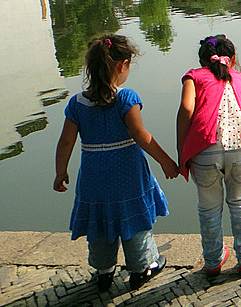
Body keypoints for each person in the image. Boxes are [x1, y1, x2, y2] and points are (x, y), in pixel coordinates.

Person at [53, 35, 179, 292]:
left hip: (92, 176)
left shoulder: (76, 104)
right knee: (133, 219)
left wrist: (60, 171)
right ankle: (141, 268)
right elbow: (140, 136)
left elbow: (66, 142)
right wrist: (167, 162)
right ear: (122, 65)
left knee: (99, 220)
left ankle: (103, 270)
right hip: (127, 174)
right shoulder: (126, 98)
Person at [176, 34, 241, 278]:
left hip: (204, 150)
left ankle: (213, 260)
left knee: (209, 207)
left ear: (202, 60)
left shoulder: (193, 77)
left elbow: (186, 109)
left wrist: (181, 150)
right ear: (233, 59)